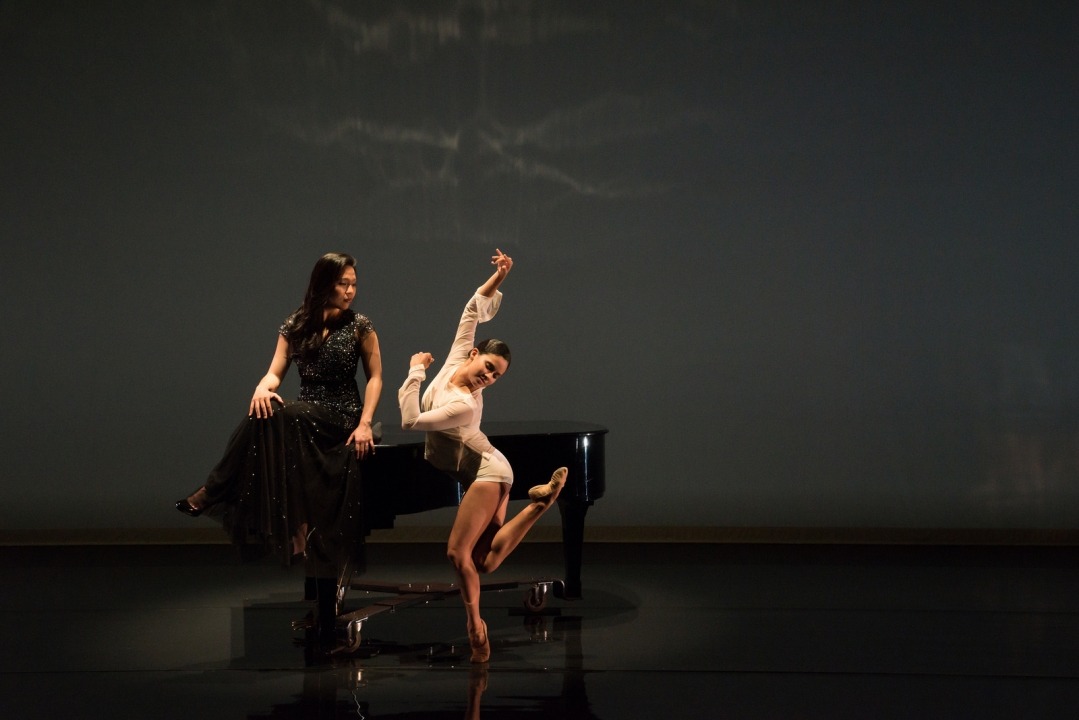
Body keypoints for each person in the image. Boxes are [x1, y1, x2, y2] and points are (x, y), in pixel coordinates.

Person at [175, 252, 383, 645]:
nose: (351, 291)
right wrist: (261, 386)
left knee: (283, 413)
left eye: (355, 284)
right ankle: (222, 491)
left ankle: (213, 490)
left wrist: (365, 422)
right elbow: (275, 372)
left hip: (340, 416)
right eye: (344, 284)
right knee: (265, 409)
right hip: (303, 420)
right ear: (324, 283)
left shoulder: (360, 326)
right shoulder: (295, 324)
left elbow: (374, 379)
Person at [398, 249, 567, 663]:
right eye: (488, 367)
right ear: (474, 355)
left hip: (489, 472)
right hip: (495, 468)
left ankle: (475, 626)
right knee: (484, 563)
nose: (487, 379)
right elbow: (472, 310)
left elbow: (410, 421)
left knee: (458, 555)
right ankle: (539, 504)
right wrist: (499, 276)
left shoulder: (465, 405)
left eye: (495, 377)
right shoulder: (459, 355)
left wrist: (416, 370)